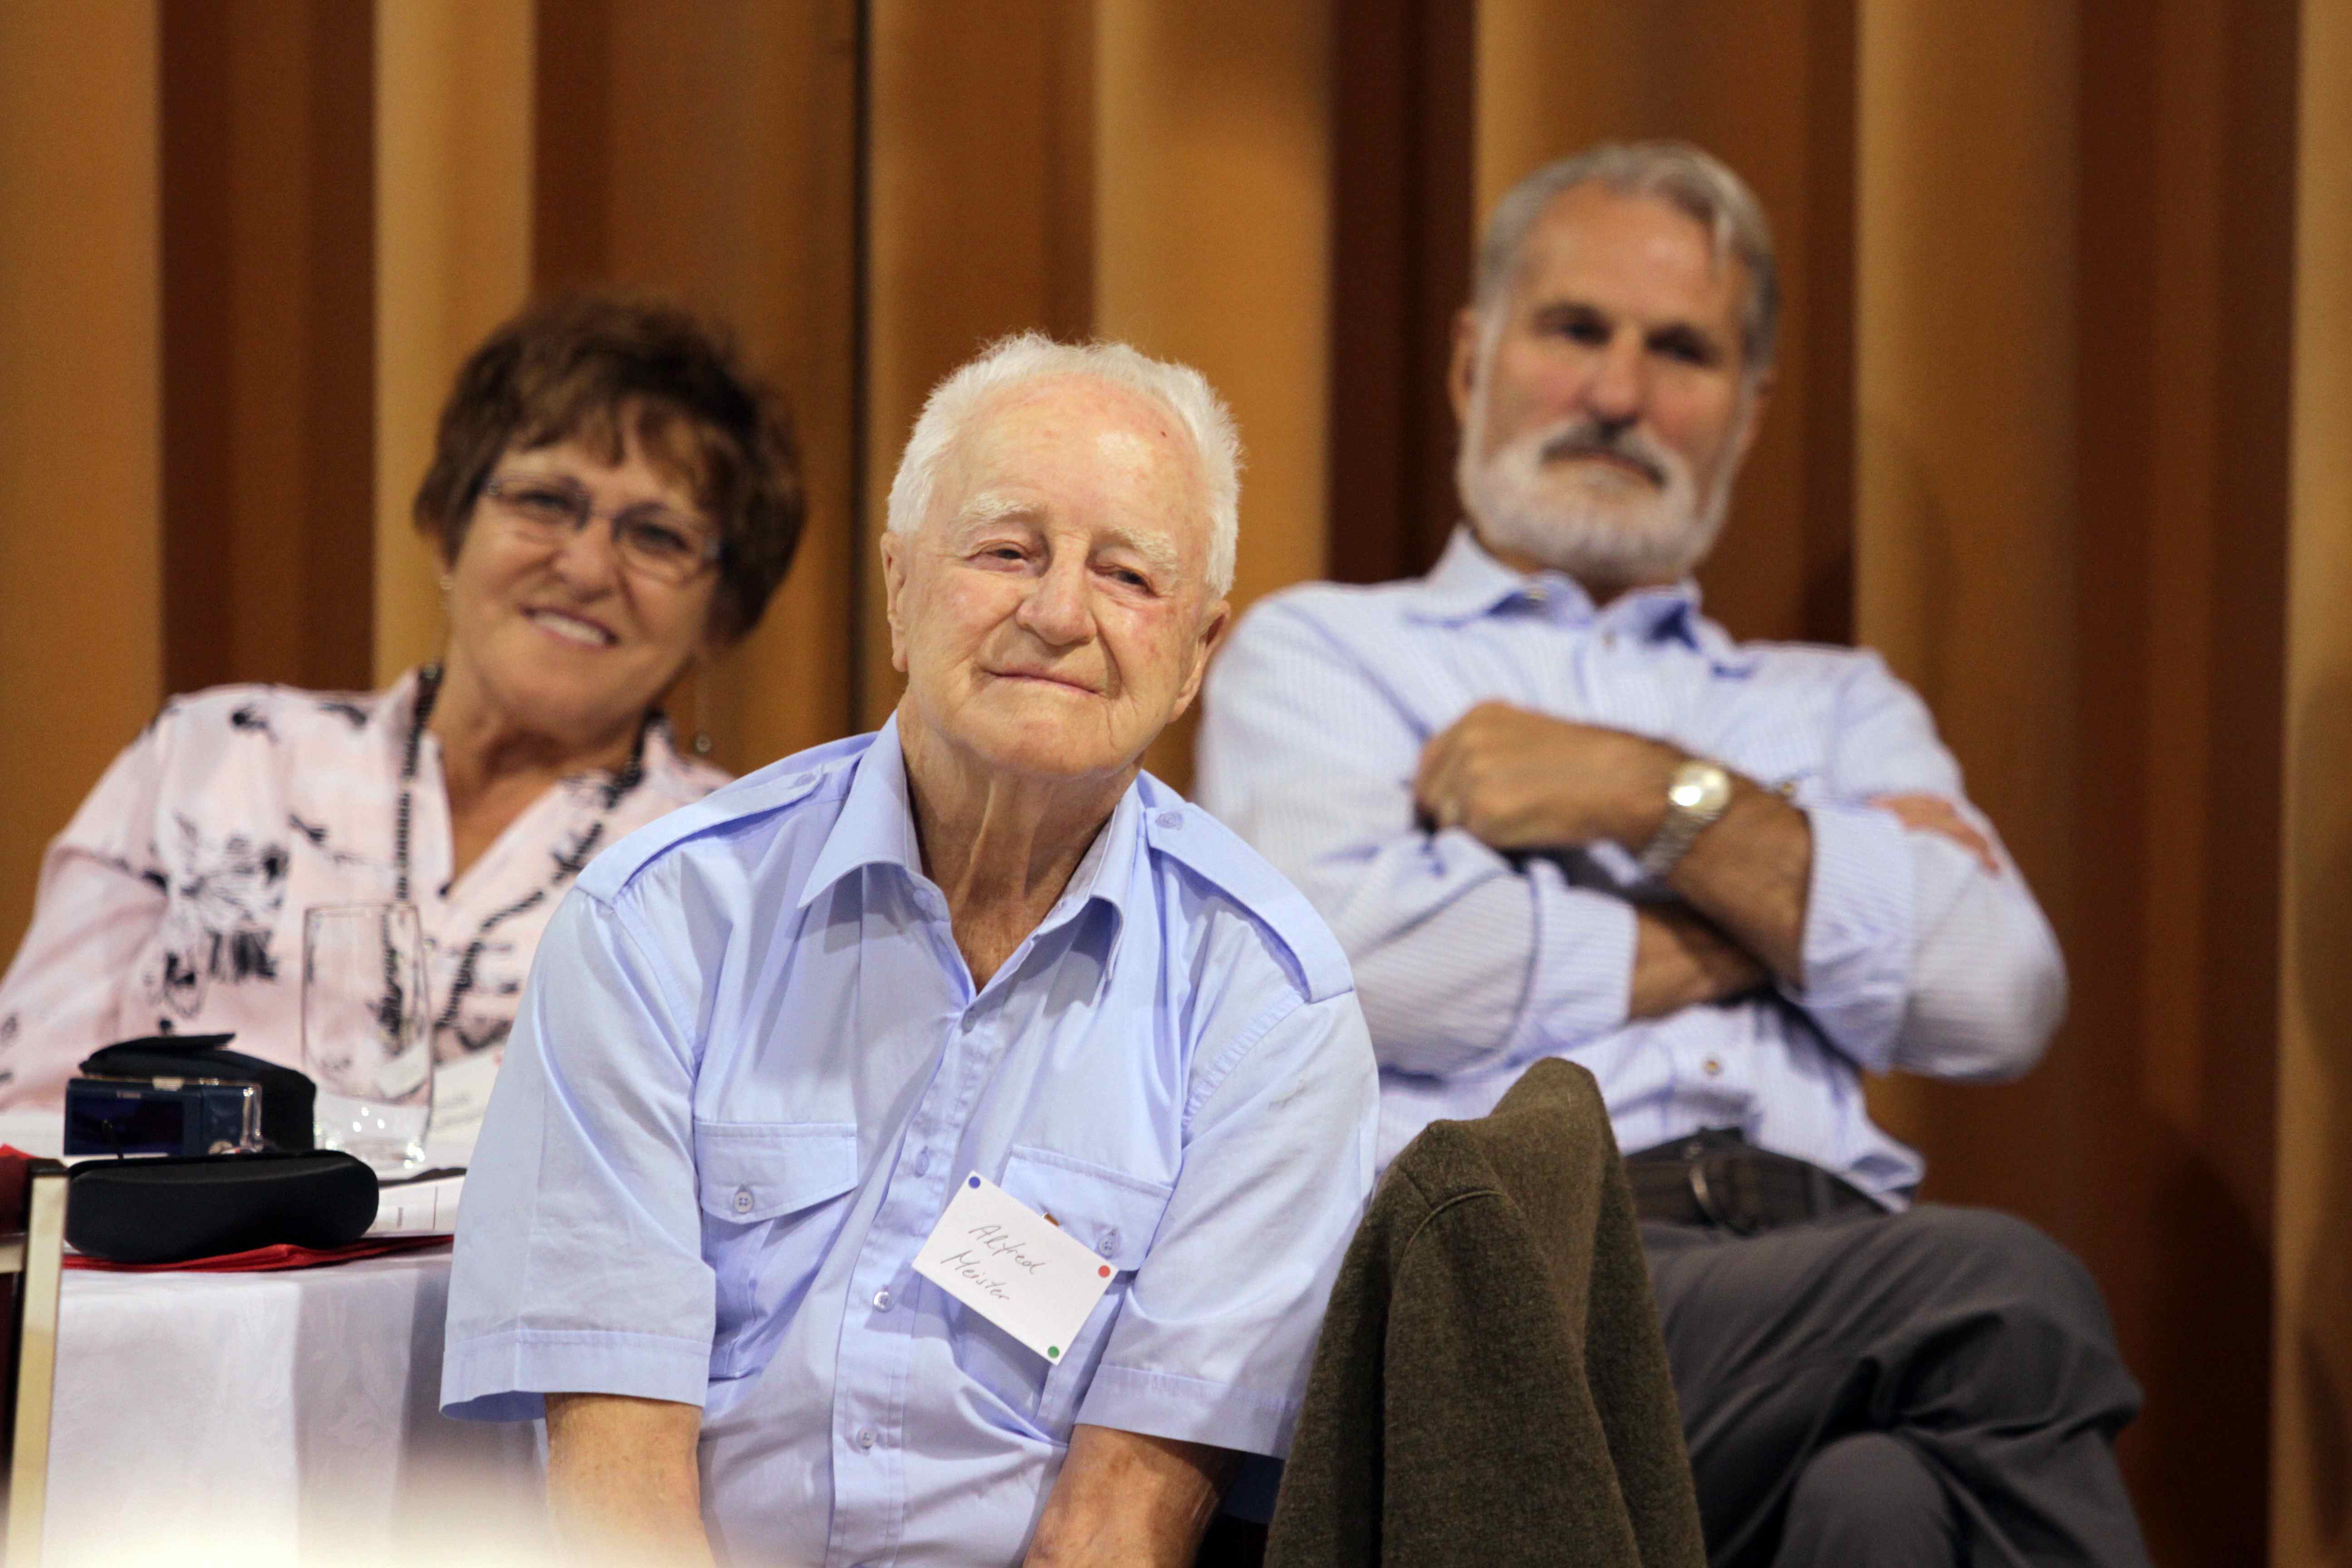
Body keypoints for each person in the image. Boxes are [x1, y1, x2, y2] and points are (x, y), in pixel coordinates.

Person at [1197, 142, 2151, 1568]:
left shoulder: (1836, 703)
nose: (1621, 395)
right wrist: (1782, 914)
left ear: (1749, 412)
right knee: (2015, 1301)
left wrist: (1642, 793)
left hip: (1829, 1276)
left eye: (1682, 351)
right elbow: (1348, 962)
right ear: (1473, 362)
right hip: (1519, 1292)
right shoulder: (1329, 652)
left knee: (1879, 1509)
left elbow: (1996, 992)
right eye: (1576, 330)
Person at [441, 334, 1379, 1568]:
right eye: (1005, 551)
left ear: (1197, 652)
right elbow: (618, 1484)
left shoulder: (1271, 1004)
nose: (1057, 614)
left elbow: (1117, 1533)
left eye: (1129, 577)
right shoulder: (659, 922)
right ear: (898, 588)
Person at [0, 291, 804, 1154]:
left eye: (657, 537)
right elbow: (28, 1108)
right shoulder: (215, 756)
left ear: (721, 615)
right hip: (156, 1279)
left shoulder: (740, 865)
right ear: (447, 529)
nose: (584, 566)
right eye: (544, 501)